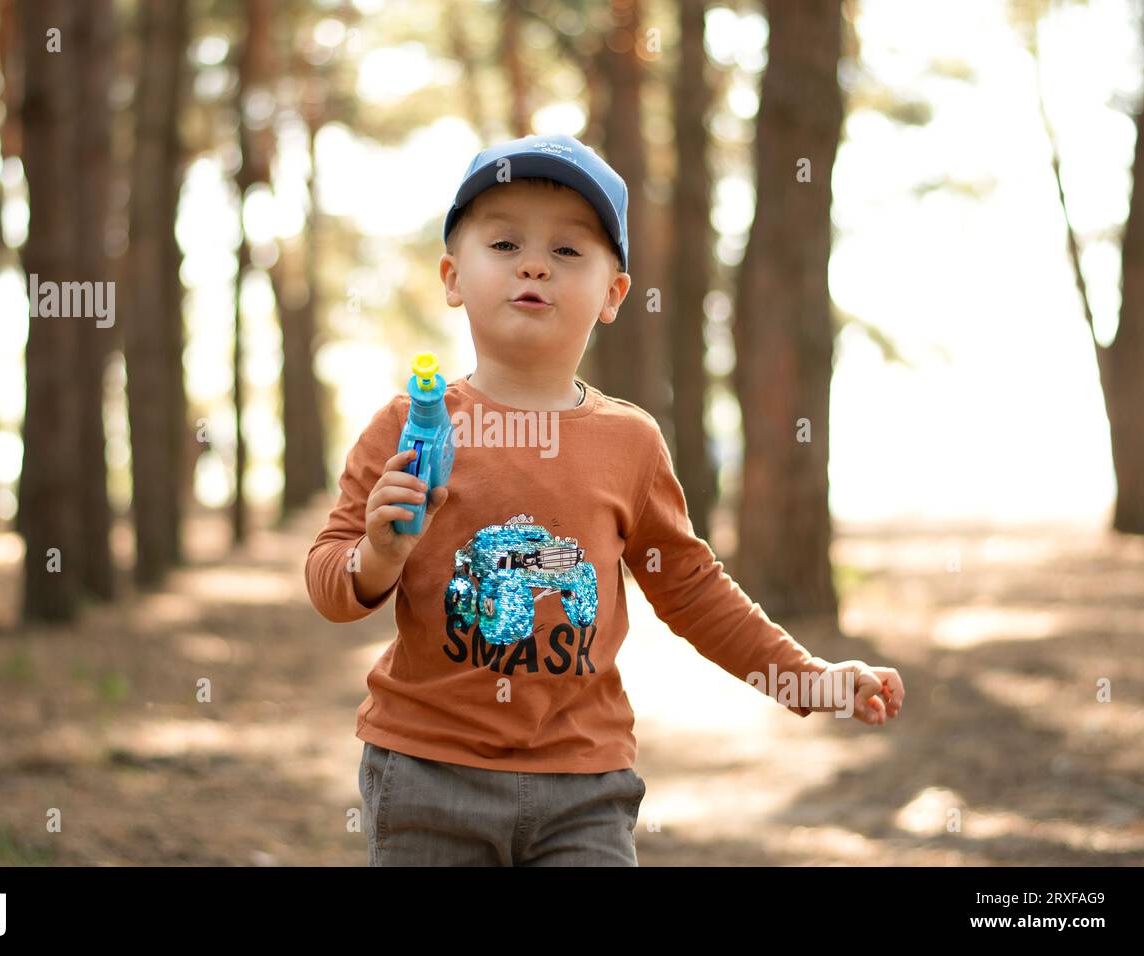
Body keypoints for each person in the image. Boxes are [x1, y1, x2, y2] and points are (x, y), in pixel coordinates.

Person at [304, 132, 904, 866]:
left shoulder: (631, 443)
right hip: (428, 774)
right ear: (452, 275)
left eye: (568, 251)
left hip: (584, 788)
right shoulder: (405, 427)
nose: (533, 264)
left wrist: (806, 678)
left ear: (613, 293)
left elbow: (692, 589)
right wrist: (376, 555)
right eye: (503, 244)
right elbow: (331, 582)